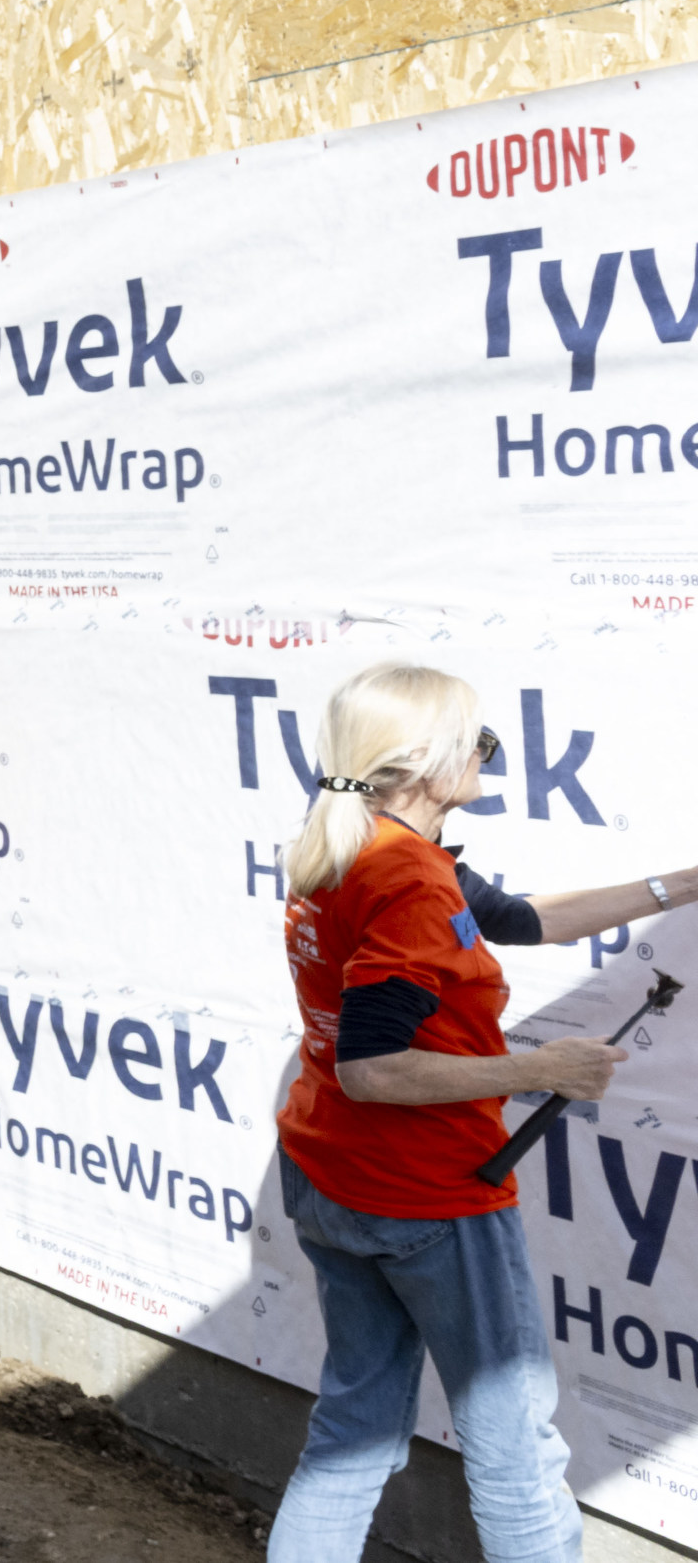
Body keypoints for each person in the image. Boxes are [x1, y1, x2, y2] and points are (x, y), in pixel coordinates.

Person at [267, 662, 695, 1563]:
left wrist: (684, 884)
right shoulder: (408, 879)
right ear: (427, 763)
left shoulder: (355, 845)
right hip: (424, 1194)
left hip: (331, 1178)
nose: (491, 761)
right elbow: (374, 1069)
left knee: (354, 1433)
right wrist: (542, 1067)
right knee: (516, 1455)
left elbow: (524, 920)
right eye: (480, 744)